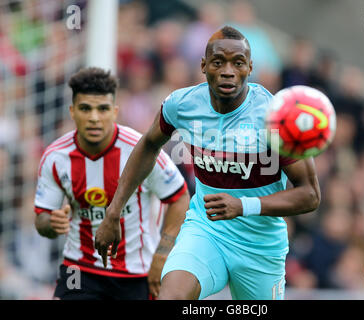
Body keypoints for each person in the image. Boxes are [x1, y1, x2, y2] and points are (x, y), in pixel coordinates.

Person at [95, 26, 321, 300]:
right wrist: (114, 211)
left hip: (259, 248)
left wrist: (243, 206)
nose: (228, 71)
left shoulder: (274, 118)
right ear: (203, 66)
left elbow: (310, 194)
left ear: (250, 67)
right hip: (206, 231)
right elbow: (148, 144)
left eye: (237, 63)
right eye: (218, 62)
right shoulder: (183, 104)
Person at [34, 67, 190, 300]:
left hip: (137, 272)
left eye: (103, 109)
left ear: (115, 111)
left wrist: (161, 256)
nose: (94, 117)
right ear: (72, 112)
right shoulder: (55, 157)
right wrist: (51, 223)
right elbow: (42, 219)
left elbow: (180, 198)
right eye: (86, 108)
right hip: (79, 267)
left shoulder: (141, 150)